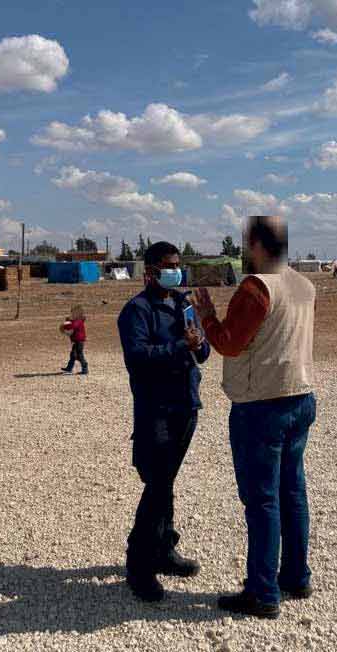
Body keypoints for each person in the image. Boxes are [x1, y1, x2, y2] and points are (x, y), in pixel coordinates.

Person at [193, 215, 316, 620]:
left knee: (262, 499)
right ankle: (296, 576)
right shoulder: (303, 284)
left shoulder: (256, 286)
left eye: (248, 244)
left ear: (259, 245)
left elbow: (229, 343)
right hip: (300, 395)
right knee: (292, 492)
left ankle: (263, 592)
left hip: (261, 404)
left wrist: (207, 316)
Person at [117, 241, 210, 602]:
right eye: (168, 265)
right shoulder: (136, 311)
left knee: (166, 481)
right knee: (157, 484)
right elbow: (138, 358)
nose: (175, 270)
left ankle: (164, 548)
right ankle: (139, 564)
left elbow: (202, 352)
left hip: (186, 404)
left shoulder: (183, 305)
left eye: (178, 264)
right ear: (150, 271)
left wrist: (197, 341)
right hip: (156, 409)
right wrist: (179, 347)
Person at [60, 305, 88, 375]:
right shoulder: (77, 321)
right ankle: (69, 368)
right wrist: (68, 322)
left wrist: (67, 322)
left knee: (79, 355)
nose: (71, 315)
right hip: (76, 341)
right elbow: (70, 327)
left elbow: (72, 326)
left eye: (73, 313)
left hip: (79, 341)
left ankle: (85, 369)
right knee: (73, 355)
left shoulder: (78, 321)